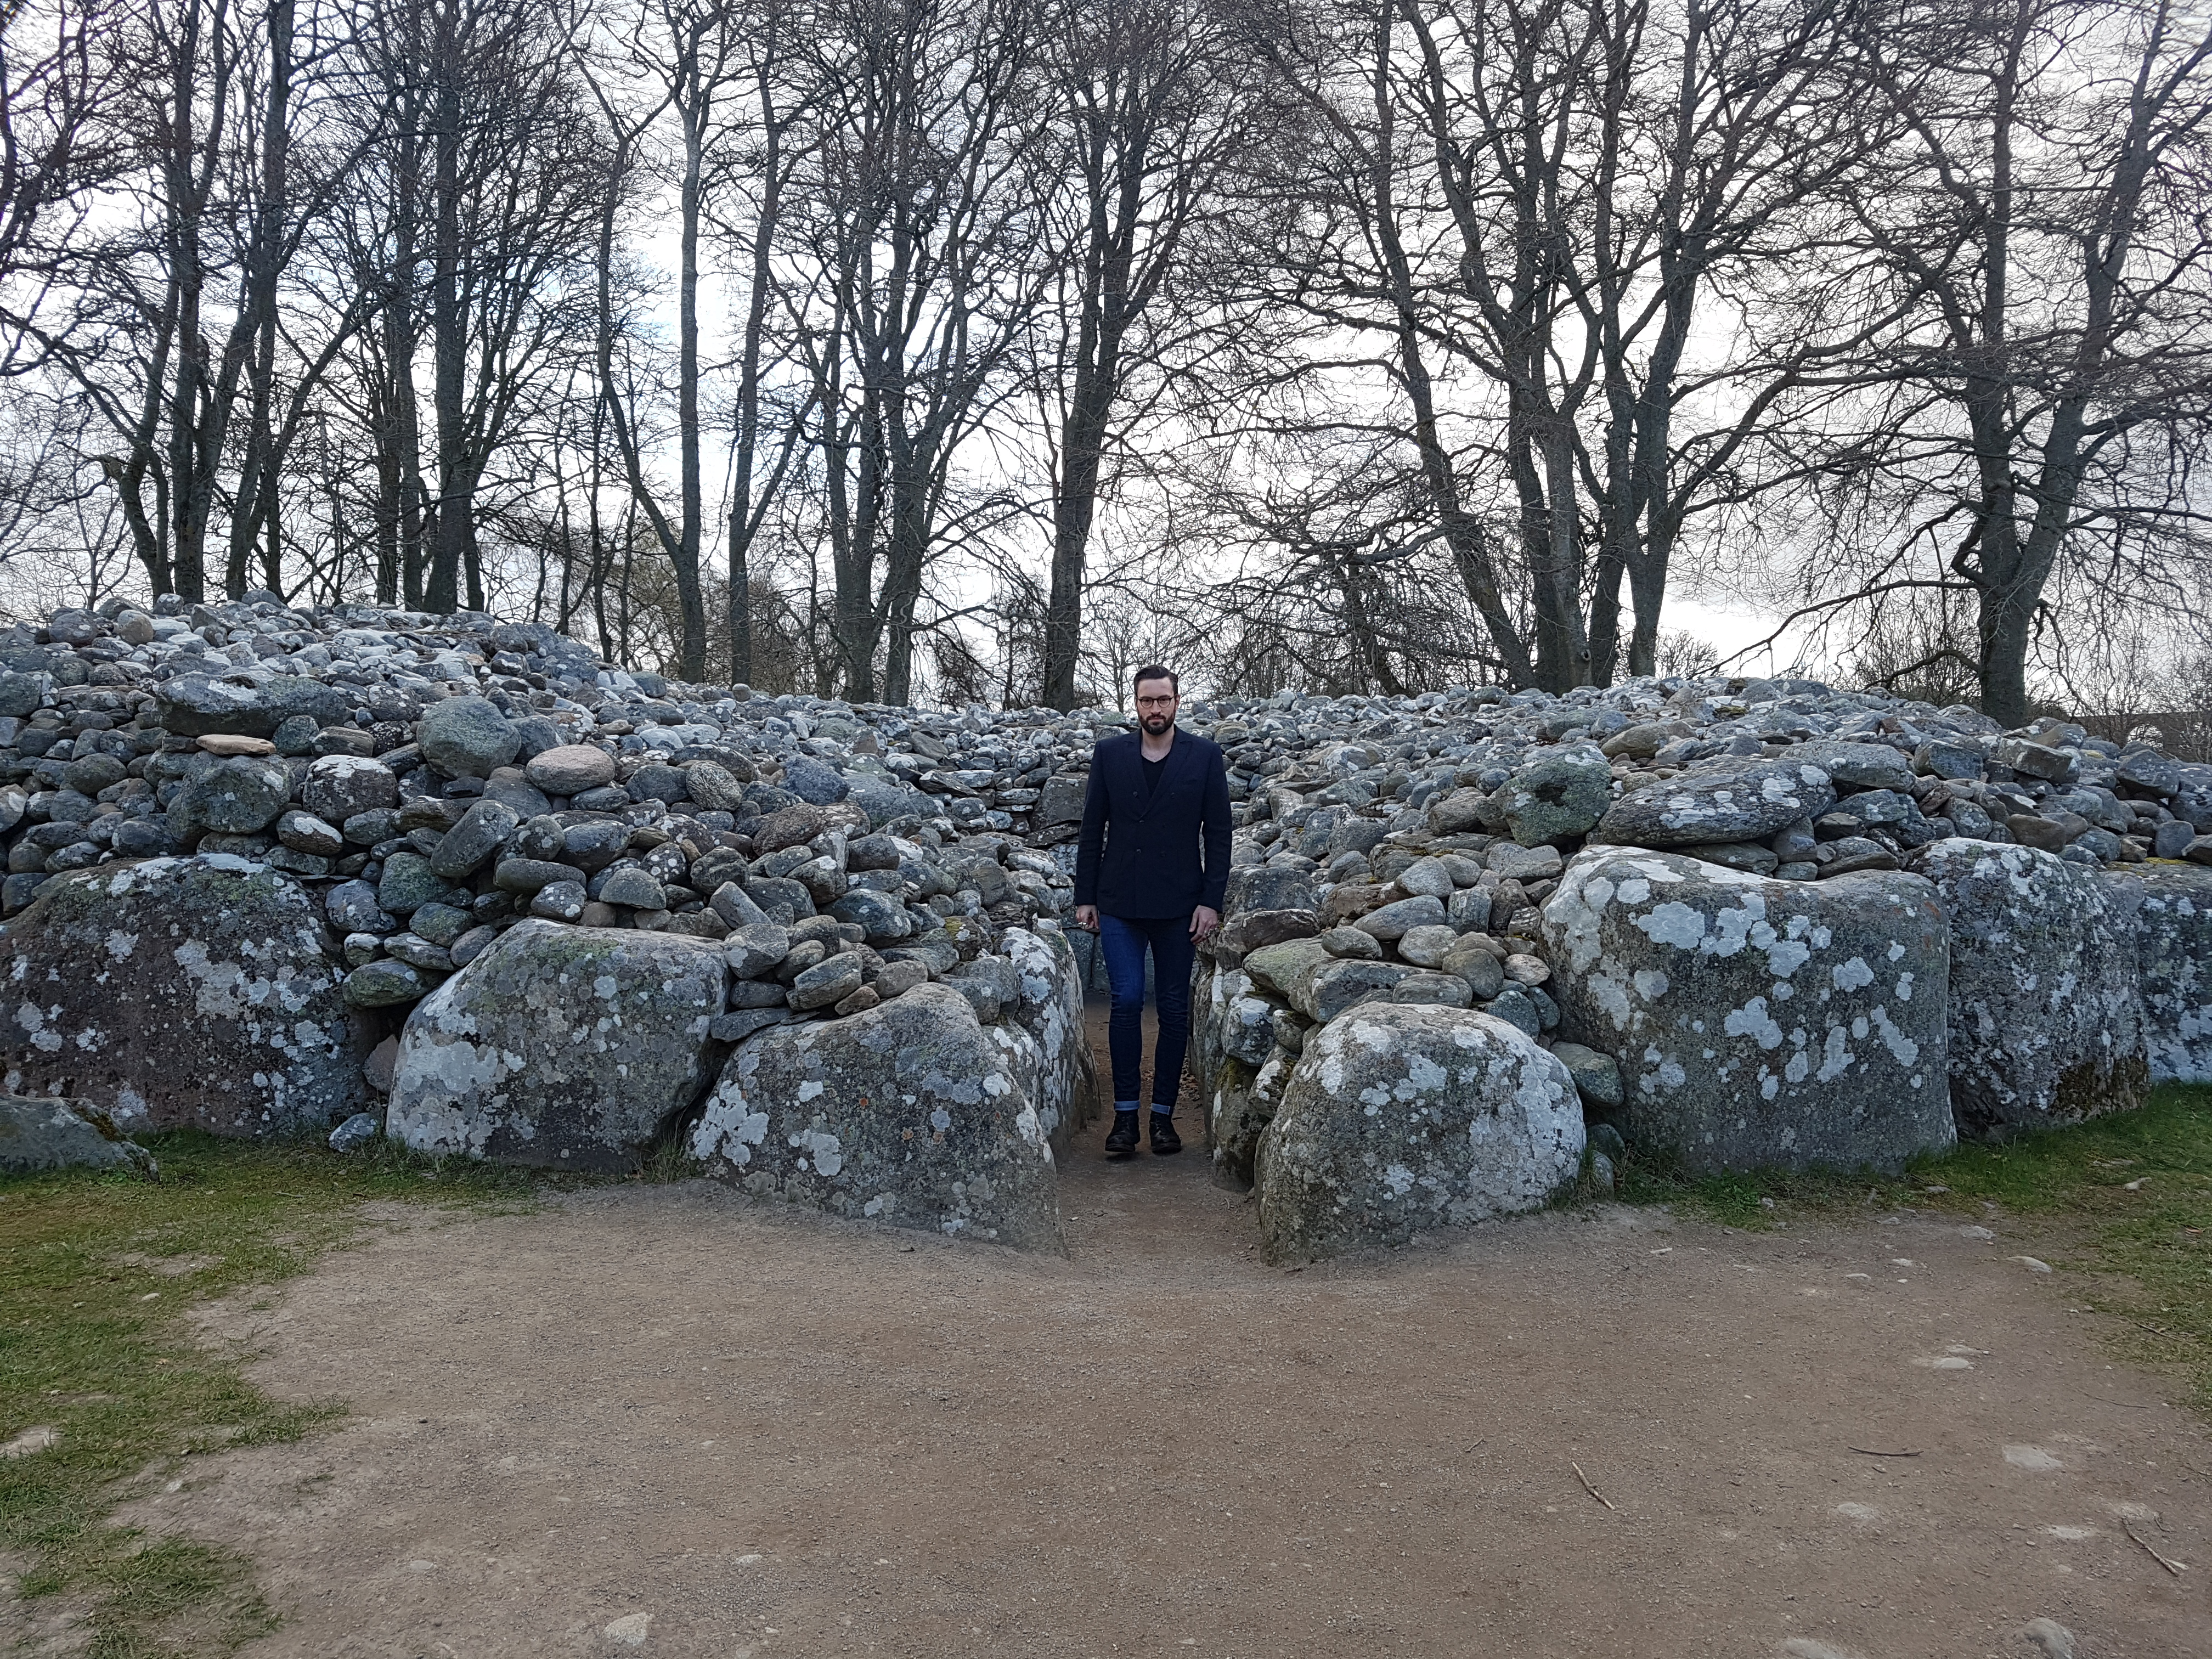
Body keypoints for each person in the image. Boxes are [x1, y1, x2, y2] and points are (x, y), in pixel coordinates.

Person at [1073, 664, 1233, 1159]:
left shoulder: (1204, 757)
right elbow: (1092, 827)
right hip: (1119, 900)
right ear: (1135, 704)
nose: (1156, 709)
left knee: (1174, 1008)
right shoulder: (1110, 754)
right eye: (1147, 701)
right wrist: (1086, 895)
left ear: (1177, 702)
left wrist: (1211, 901)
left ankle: (1162, 1117)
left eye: (1164, 700)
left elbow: (1220, 833)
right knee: (1125, 999)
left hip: (1180, 904)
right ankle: (1124, 1120)